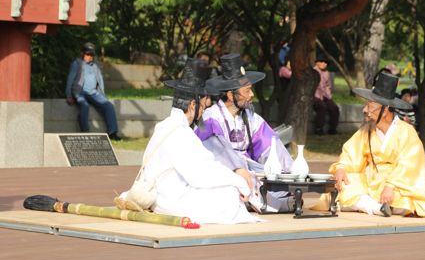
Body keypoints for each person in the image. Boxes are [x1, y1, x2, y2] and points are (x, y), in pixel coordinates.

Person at [118, 58, 258, 224]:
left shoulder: (163, 126)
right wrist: (238, 182)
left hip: (160, 194)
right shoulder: (182, 133)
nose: (203, 111)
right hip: (170, 200)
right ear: (193, 105)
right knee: (229, 193)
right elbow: (202, 173)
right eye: (202, 107)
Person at [328, 72, 425, 217]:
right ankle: (377, 208)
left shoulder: (406, 132)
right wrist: (341, 168)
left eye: (370, 106)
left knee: (410, 201)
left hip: (397, 184)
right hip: (370, 182)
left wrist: (390, 185)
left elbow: (409, 165)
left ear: (384, 110)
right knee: (341, 186)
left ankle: (373, 206)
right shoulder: (366, 131)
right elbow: (350, 154)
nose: (365, 110)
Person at [196, 53, 293, 212]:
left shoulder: (251, 118)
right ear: (230, 94)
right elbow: (217, 150)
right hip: (222, 170)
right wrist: (238, 168)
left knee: (282, 187)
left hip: (249, 169)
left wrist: (290, 173)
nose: (252, 95)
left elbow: (271, 146)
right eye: (247, 91)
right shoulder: (211, 117)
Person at [65, 42, 121, 140]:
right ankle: (84, 131)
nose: (89, 57)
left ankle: (112, 132)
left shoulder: (95, 65)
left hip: (93, 93)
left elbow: (100, 80)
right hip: (79, 92)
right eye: (87, 54)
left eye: (91, 55)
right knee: (84, 105)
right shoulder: (77, 63)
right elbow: (70, 79)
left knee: (109, 106)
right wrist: (69, 95)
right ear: (82, 53)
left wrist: (103, 95)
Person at [313, 52, 340, 135]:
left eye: (325, 62)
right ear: (317, 62)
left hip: (325, 95)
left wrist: (329, 96)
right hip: (314, 95)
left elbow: (328, 86)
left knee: (334, 108)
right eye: (321, 62)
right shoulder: (313, 72)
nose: (324, 64)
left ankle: (332, 129)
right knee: (322, 107)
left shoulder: (327, 73)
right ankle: (319, 128)